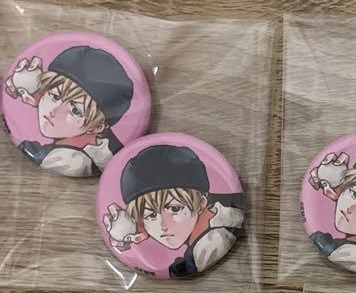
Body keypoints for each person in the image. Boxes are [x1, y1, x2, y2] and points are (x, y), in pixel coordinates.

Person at [102, 143, 244, 277]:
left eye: (175, 209)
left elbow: (179, 268)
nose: (164, 225)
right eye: (151, 215)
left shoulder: (209, 246)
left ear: (201, 204)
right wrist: (131, 230)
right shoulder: (225, 210)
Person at [4, 44, 135, 175]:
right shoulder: (105, 147)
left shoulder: (70, 160)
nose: (54, 112)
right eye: (55, 96)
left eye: (75, 111)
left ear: (97, 127)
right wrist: (32, 89)